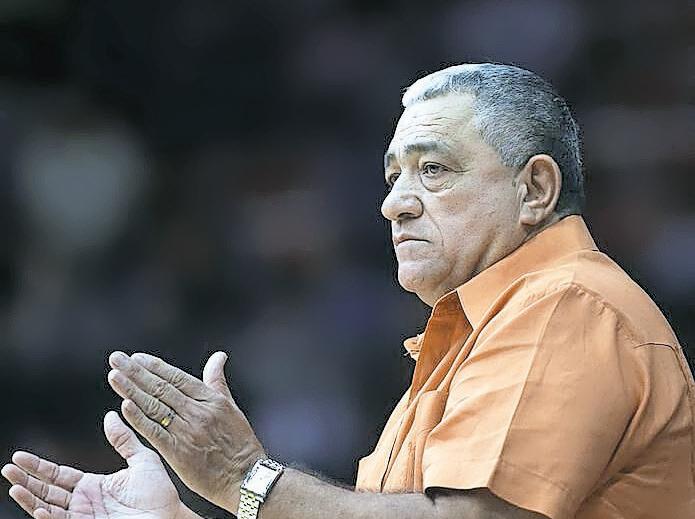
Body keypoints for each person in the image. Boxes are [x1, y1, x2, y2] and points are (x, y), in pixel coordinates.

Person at [3, 63, 694, 519]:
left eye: (433, 169)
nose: (395, 202)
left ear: (534, 188)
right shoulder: (479, 333)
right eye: (393, 176)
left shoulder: (568, 304)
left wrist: (244, 479)